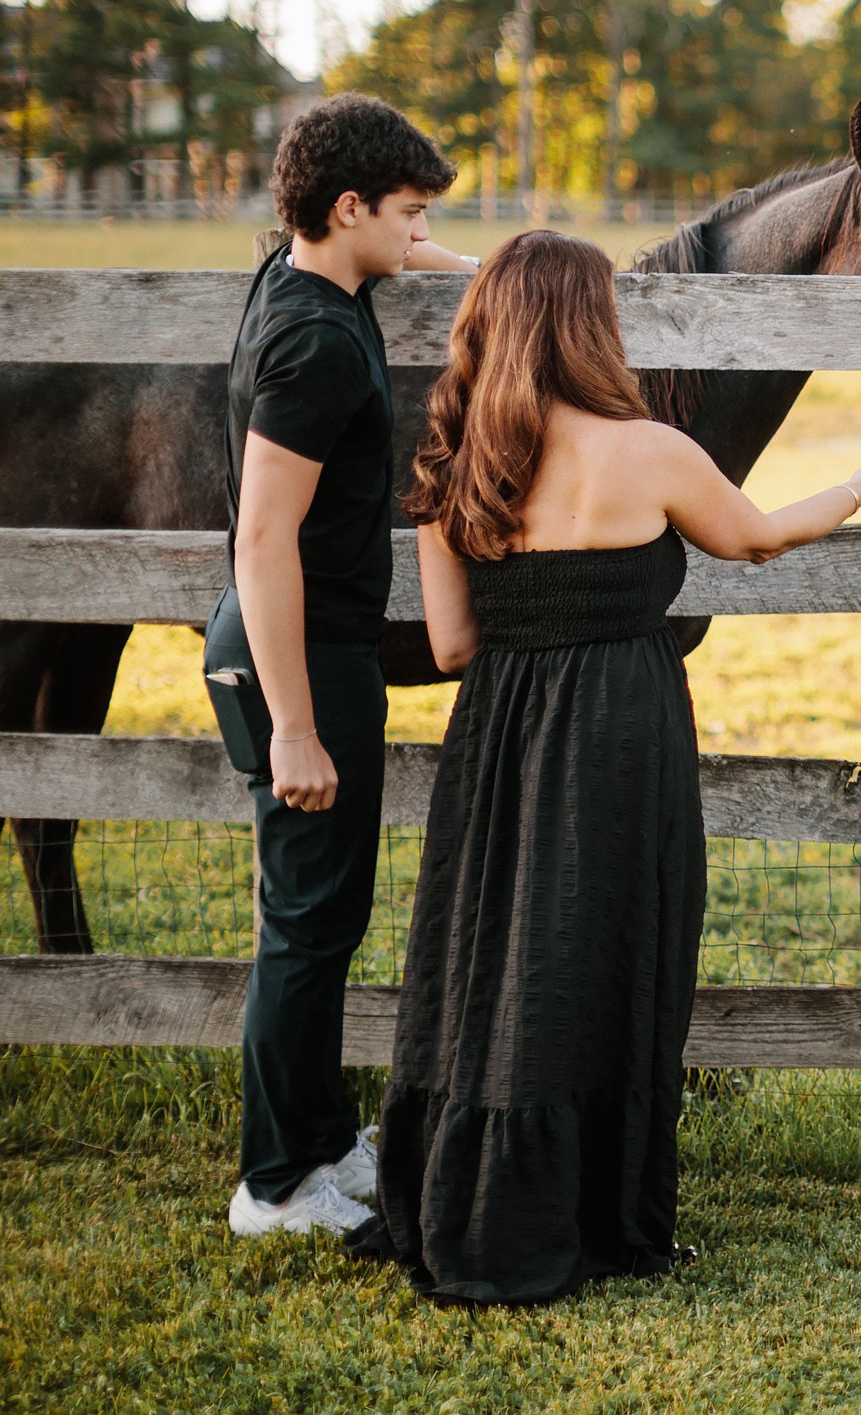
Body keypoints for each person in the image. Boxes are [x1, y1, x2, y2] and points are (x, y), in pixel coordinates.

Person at [353, 230, 861, 1305]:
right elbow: (755, 538)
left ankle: (458, 1192)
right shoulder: (650, 449)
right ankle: (596, 1211)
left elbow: (447, 649)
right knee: (606, 951)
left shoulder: (448, 458)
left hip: (496, 732)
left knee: (491, 952)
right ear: (587, 328)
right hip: (622, 728)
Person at [212, 93, 471, 1238]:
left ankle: (319, 1139)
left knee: (324, 914)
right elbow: (263, 539)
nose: (420, 238)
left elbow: (403, 249)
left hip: (310, 646)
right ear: (349, 207)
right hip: (296, 656)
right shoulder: (314, 341)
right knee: (306, 923)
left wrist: (519, 268)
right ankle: (273, 1184)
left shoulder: (305, 274)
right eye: (408, 215)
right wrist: (295, 724)